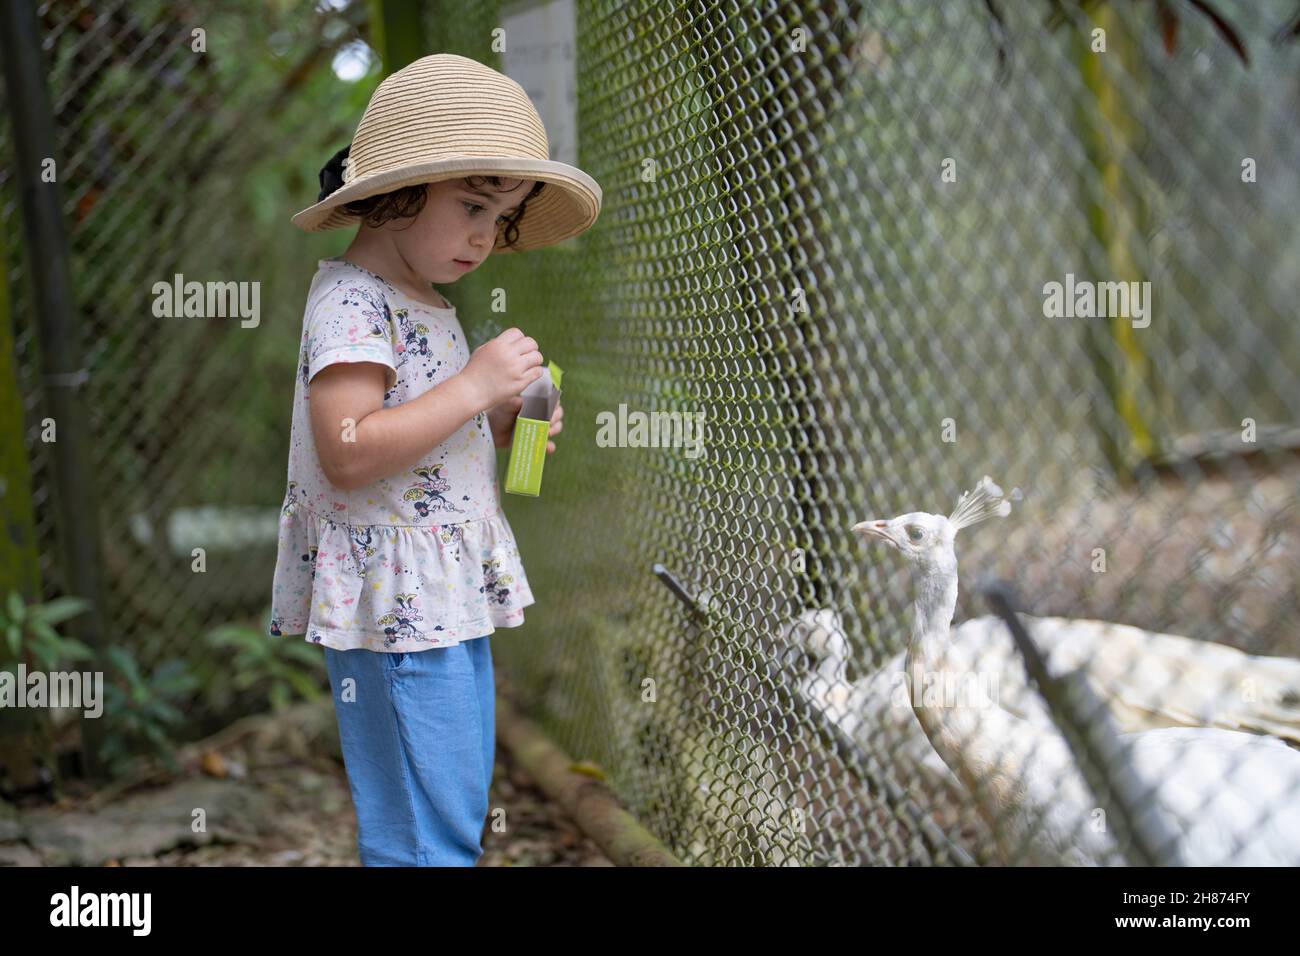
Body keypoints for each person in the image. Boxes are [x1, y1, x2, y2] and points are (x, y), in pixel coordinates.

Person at [267, 53, 602, 866]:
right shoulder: (352, 301)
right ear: (392, 194)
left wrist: (491, 418)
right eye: (472, 205)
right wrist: (473, 384)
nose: (487, 235)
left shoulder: (424, 302)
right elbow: (348, 453)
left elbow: (413, 440)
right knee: (427, 825)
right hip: (395, 606)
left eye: (504, 215)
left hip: (439, 594)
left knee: (446, 800)